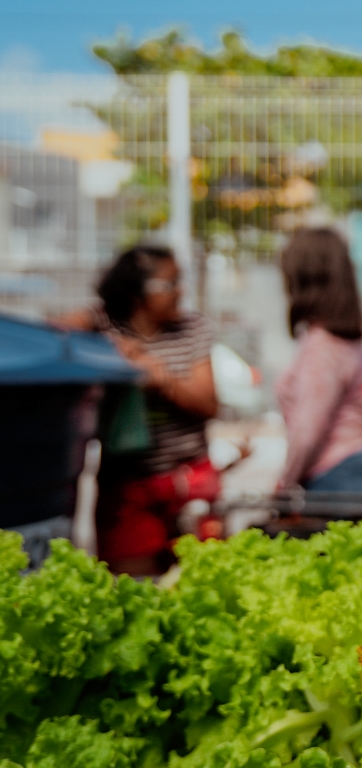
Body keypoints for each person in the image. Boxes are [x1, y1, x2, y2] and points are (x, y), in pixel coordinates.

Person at [57, 246, 218, 575]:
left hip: (187, 480)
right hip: (127, 488)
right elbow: (53, 333)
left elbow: (207, 403)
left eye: (179, 281)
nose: (180, 291)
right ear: (136, 293)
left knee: (202, 583)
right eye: (168, 284)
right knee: (134, 590)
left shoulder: (192, 328)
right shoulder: (103, 325)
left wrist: (160, 377)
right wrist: (112, 351)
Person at [275, 227, 362, 494]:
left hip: (338, 477)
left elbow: (308, 430)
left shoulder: (322, 346)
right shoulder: (343, 338)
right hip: (358, 468)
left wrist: (284, 483)